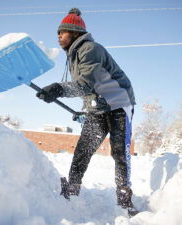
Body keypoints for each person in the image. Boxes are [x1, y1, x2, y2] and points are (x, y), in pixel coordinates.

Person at [36, 8, 138, 216]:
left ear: (74, 32)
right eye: (58, 33)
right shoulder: (73, 55)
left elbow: (84, 84)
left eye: (62, 32)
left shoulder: (89, 48)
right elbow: (89, 90)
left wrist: (58, 88)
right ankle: (72, 189)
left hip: (119, 104)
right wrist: (84, 110)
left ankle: (125, 200)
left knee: (119, 152)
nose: (58, 37)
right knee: (83, 150)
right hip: (98, 108)